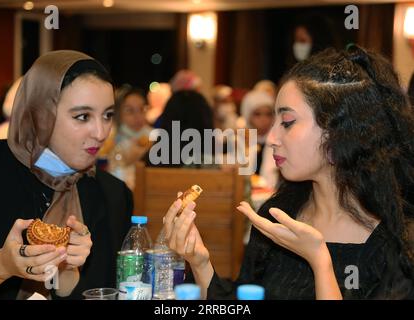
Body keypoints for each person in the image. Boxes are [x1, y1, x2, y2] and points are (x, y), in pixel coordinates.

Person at [163, 45, 414, 299]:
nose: (272, 137)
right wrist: (200, 261)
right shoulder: (279, 214)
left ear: (338, 133)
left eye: (287, 122)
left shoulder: (397, 242)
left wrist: (320, 261)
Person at [0, 50, 133, 299]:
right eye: (82, 116)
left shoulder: (113, 195)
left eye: (108, 115)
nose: (100, 133)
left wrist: (69, 273)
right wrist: (1, 266)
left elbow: (111, 290)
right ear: (40, 113)